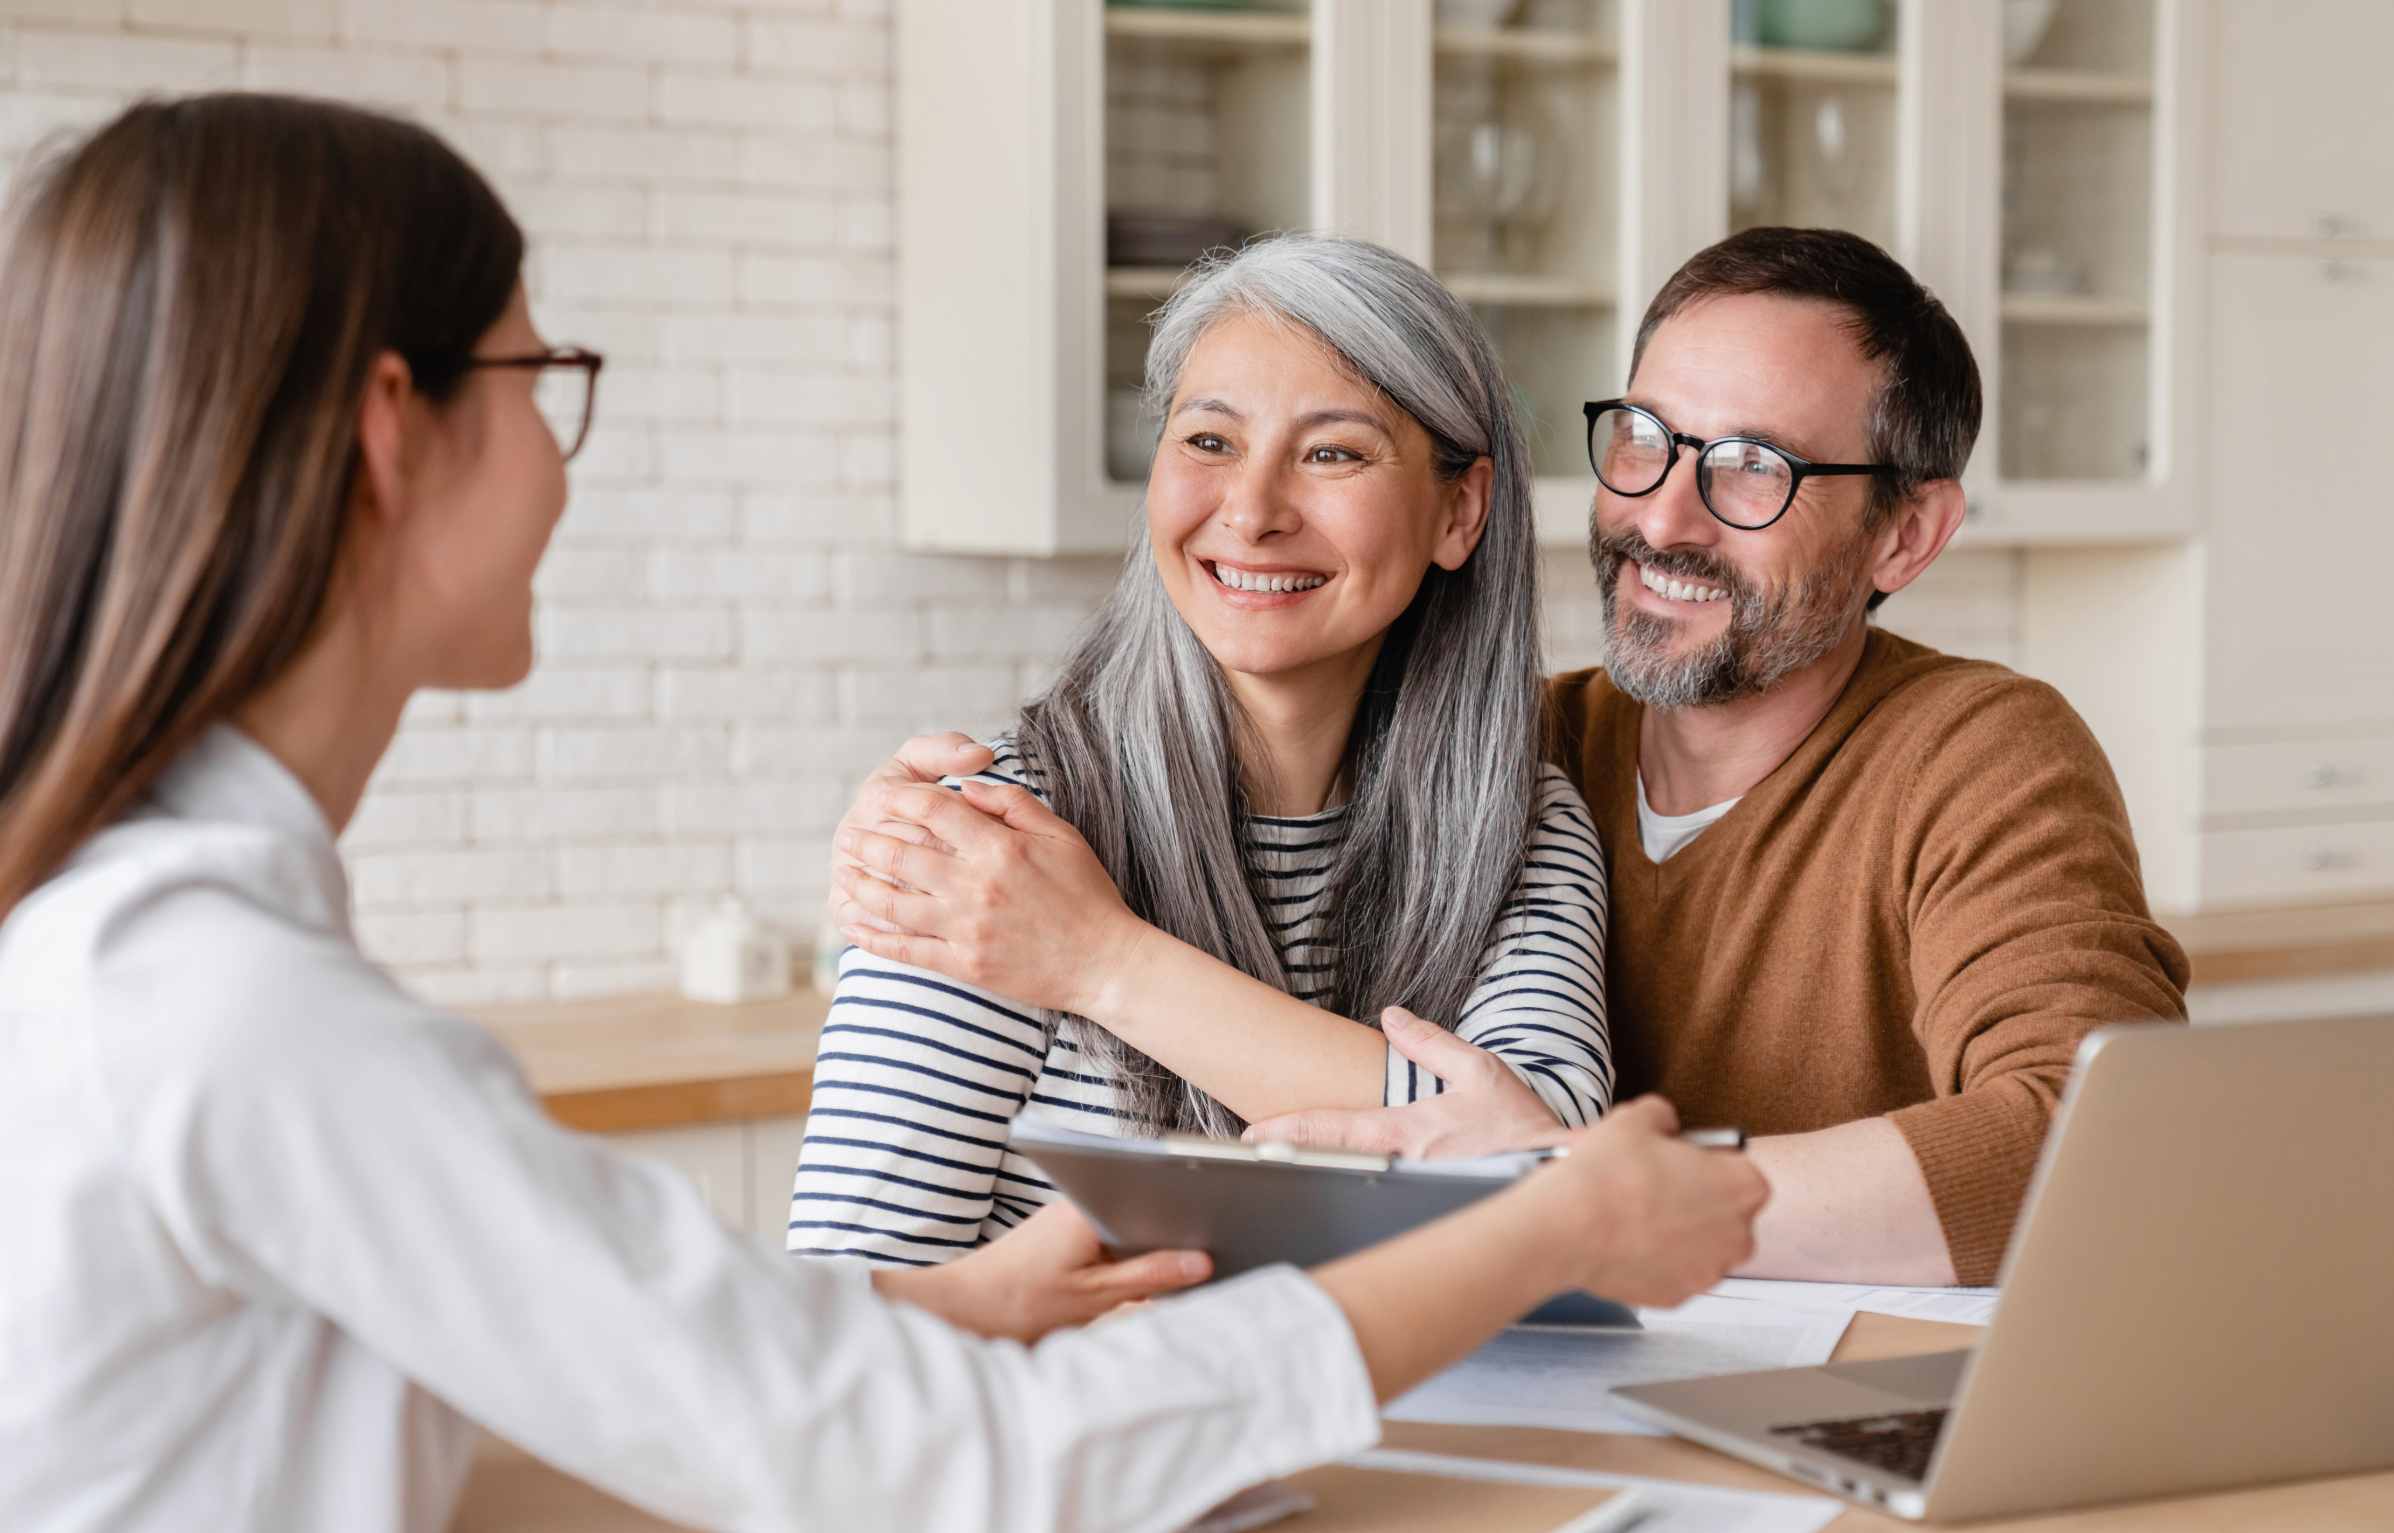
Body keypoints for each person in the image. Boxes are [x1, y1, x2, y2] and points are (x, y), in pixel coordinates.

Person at [0, 94, 1768, 1533]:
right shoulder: (237, 1008)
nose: (562, 451)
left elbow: (507, 1422)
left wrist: (917, 1315)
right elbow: (904, 1463)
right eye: (544, 379)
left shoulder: (162, 962)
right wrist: (1541, 1223)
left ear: (1456, 509)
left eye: (1331, 449)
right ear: (394, 432)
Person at [831, 227, 2189, 1291]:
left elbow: (2099, 1144)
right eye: (1646, 441)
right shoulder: (1529, 754)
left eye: (1752, 468)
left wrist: (1577, 1188)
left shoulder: (1531, 797)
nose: (1664, 514)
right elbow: (843, 1300)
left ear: (1903, 536)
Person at [796, 234, 1613, 1266]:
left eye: (1333, 452)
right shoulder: (997, 845)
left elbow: (1546, 1167)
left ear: (1460, 511)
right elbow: (853, 1305)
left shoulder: (1519, 823)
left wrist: (1102, 961)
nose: (1253, 511)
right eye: (1210, 441)